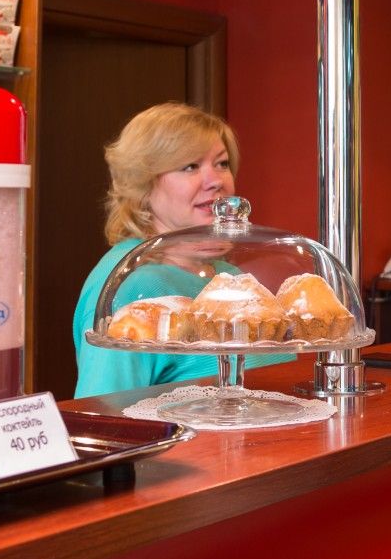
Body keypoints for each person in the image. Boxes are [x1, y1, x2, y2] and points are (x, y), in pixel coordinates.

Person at [72, 102, 289, 397]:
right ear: (143, 185)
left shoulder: (229, 275)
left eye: (222, 164)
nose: (216, 181)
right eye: (190, 167)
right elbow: (102, 408)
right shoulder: (132, 282)